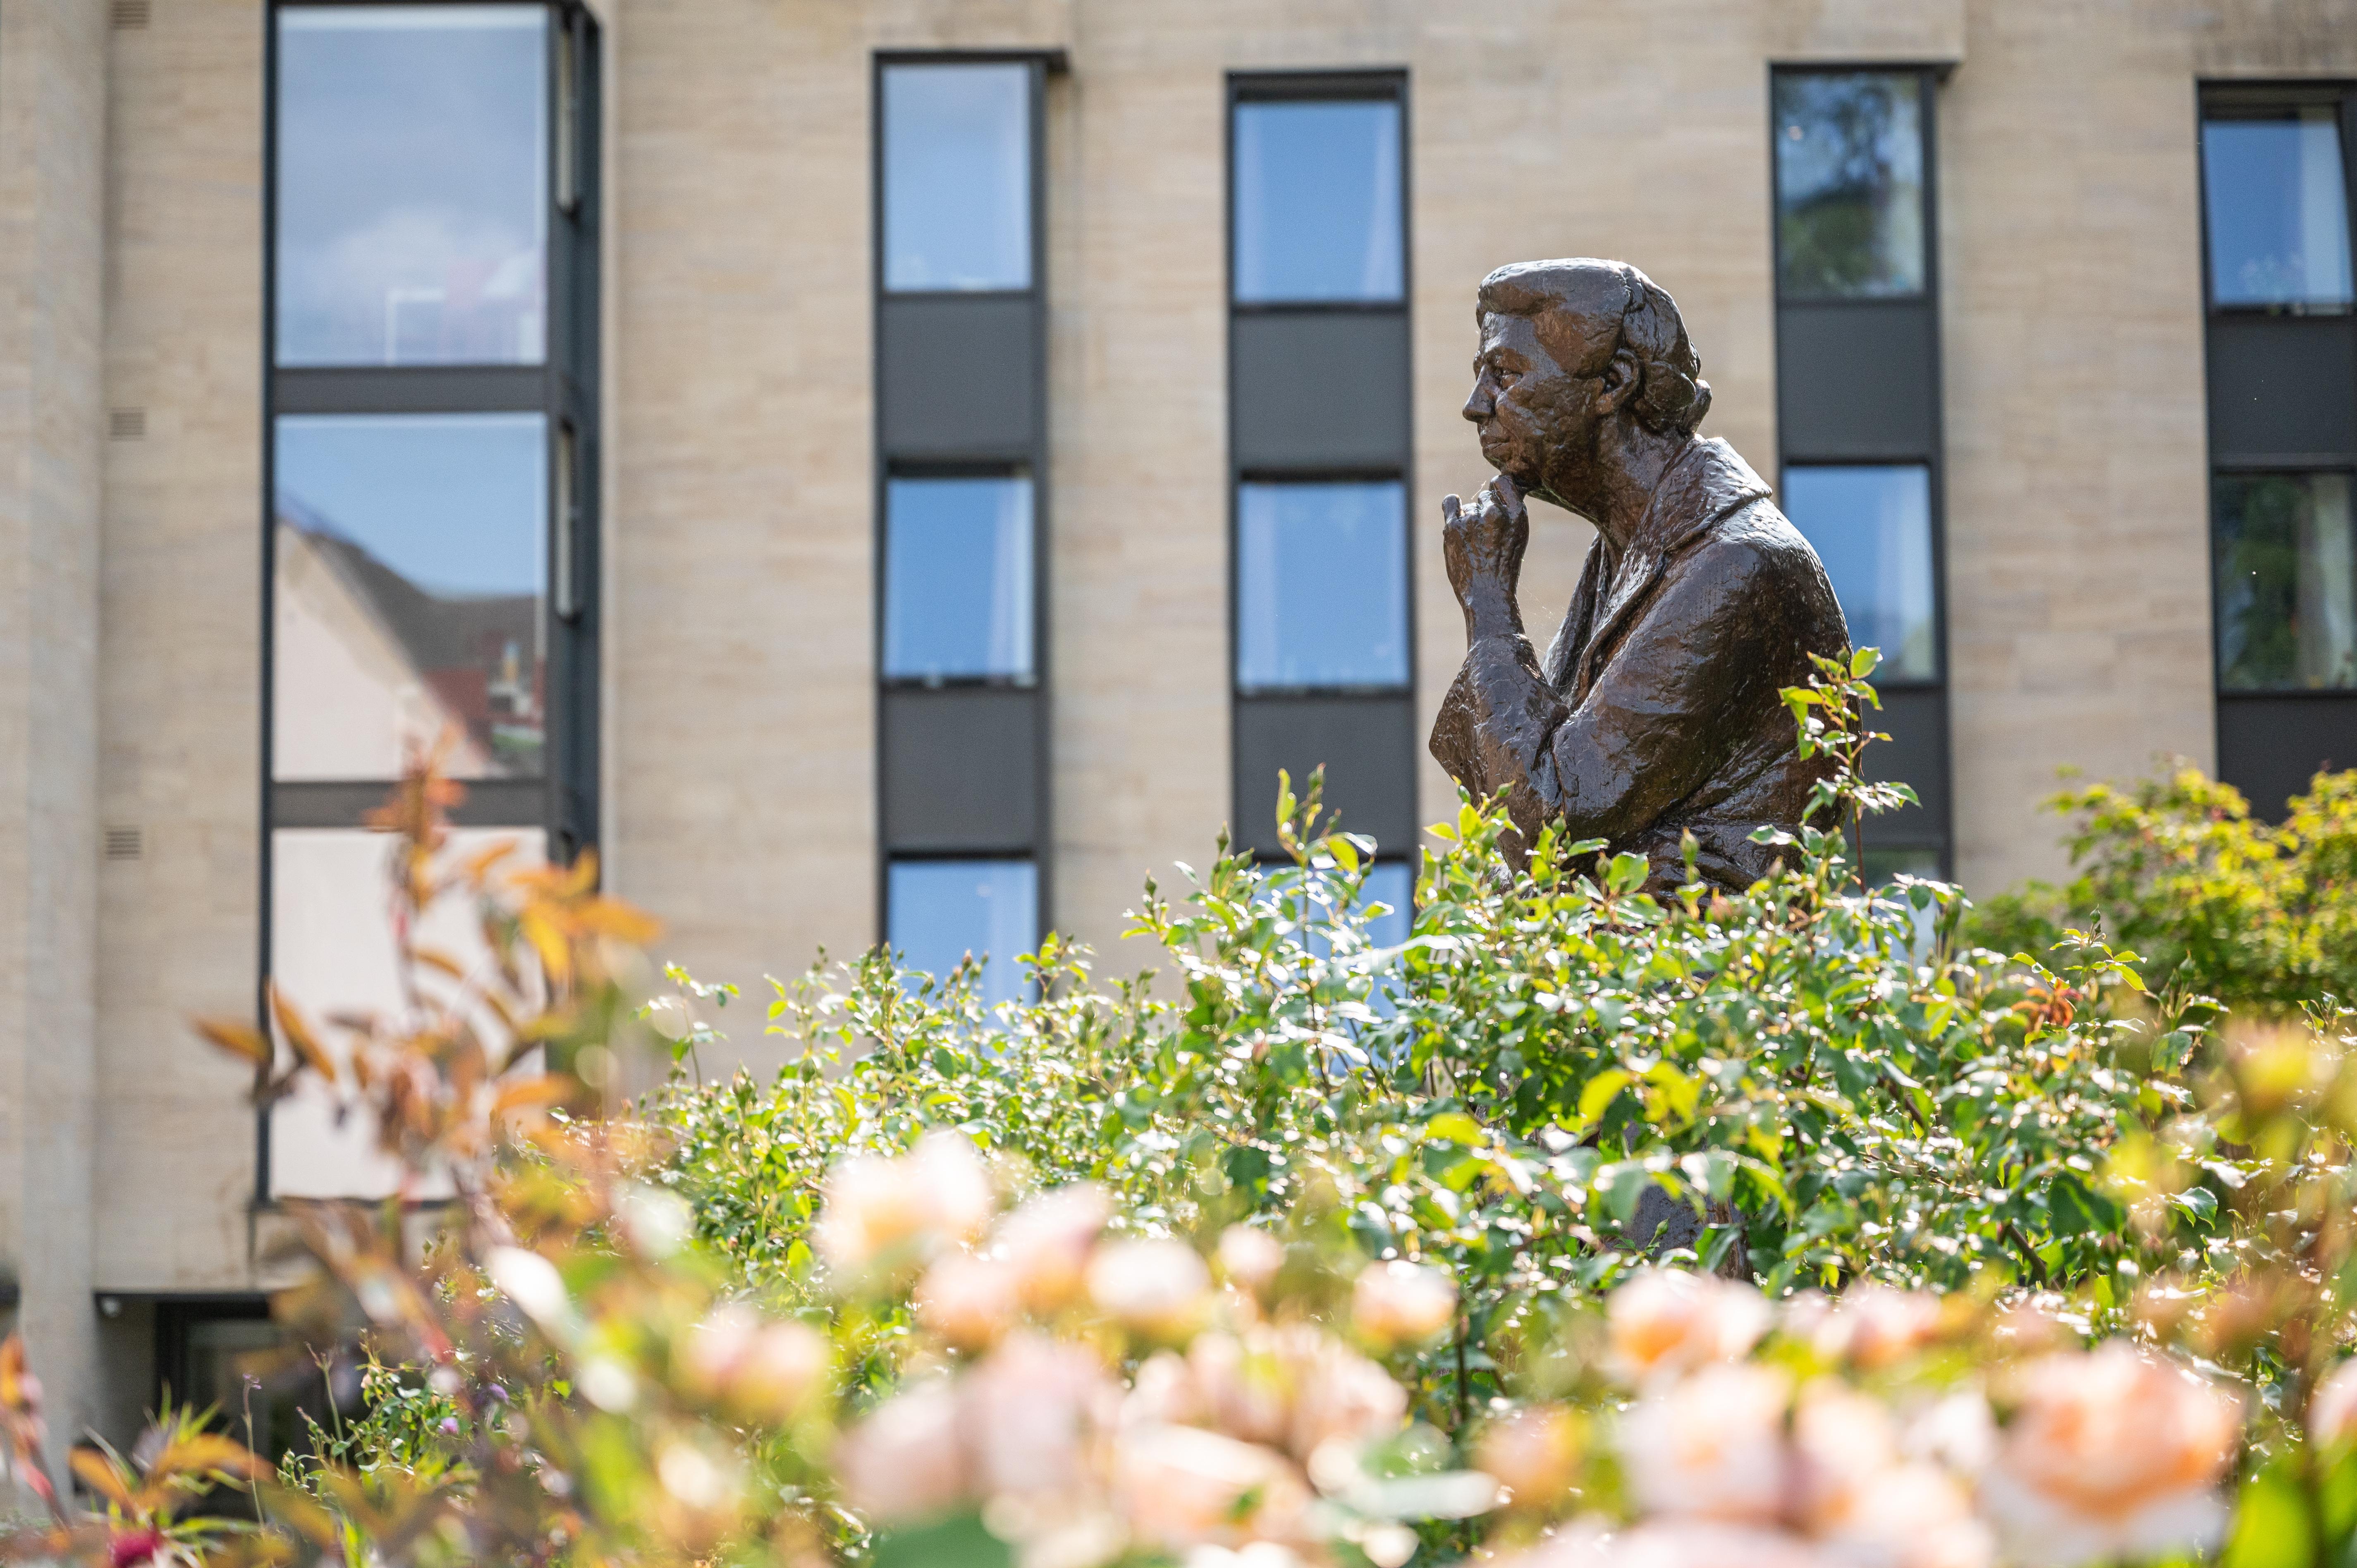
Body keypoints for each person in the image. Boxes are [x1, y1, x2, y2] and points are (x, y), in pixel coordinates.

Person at [1429, 258, 1850, 893]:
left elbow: (1551, 820)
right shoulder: (1629, 555)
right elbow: (1513, 815)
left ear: (1612, 385)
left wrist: (1489, 606)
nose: (1475, 407)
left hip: (1709, 980)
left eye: (1507, 375)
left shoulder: (1735, 566)